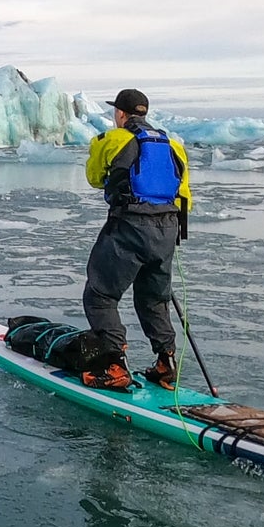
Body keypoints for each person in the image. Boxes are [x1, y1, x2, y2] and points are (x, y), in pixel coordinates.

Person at [82, 89, 190, 390]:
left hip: (130, 227)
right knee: (154, 298)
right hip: (168, 230)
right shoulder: (174, 146)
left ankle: (114, 366)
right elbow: (184, 197)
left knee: (100, 294)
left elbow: (93, 178)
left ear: (120, 113)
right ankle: (165, 362)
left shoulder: (112, 139)